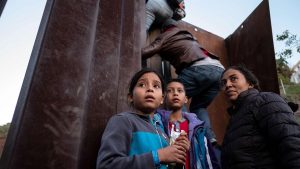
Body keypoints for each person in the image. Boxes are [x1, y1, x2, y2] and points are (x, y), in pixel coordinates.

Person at [142, 18, 224, 144]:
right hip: (219, 70)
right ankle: (209, 138)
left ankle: (185, 133)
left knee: (174, 98)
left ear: (164, 29)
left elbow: (153, 48)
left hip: (197, 68)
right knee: (199, 107)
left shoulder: (166, 35)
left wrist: (135, 52)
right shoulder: (188, 36)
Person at [96, 68, 190, 169]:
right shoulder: (123, 121)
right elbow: (107, 165)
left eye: (156, 86)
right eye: (142, 85)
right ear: (131, 97)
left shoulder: (162, 131)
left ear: (162, 99)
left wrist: (178, 155)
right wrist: (158, 156)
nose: (150, 89)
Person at [220, 64, 300, 169]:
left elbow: (291, 144)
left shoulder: (265, 100)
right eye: (224, 82)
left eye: (233, 78)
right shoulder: (234, 119)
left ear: (250, 84)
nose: (228, 85)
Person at [157, 79, 221, 169]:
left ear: (186, 99)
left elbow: (209, 158)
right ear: (163, 98)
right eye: (170, 91)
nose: (175, 93)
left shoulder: (198, 128)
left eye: (179, 90)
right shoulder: (157, 124)